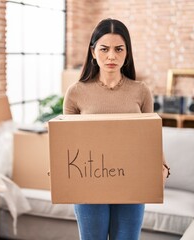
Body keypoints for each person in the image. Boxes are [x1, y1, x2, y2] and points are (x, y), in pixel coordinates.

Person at [63, 18, 170, 240]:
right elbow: (66, 144)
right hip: (88, 185)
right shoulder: (75, 93)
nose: (111, 56)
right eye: (104, 49)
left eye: (118, 49)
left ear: (127, 53)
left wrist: (163, 167)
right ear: (93, 52)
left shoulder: (141, 91)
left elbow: (151, 137)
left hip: (132, 183)